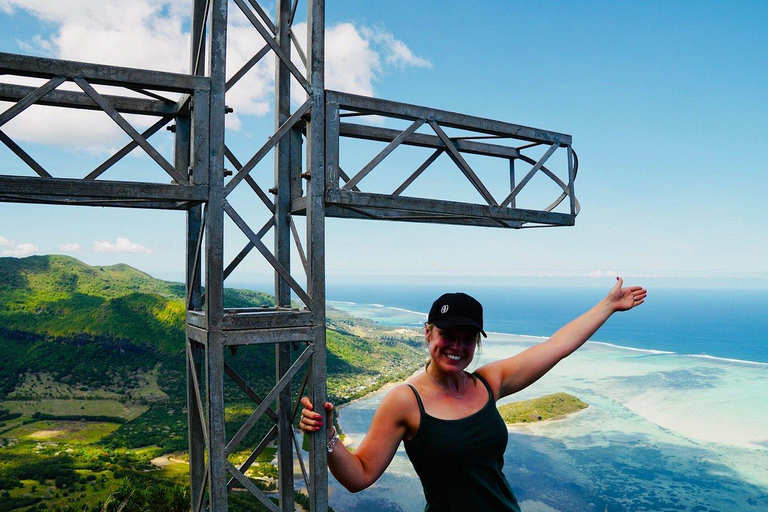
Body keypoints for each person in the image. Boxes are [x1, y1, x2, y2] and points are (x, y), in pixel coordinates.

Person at [300, 277, 647, 511]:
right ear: (428, 334)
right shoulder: (405, 400)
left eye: (468, 338)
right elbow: (359, 476)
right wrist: (328, 436)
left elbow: (556, 346)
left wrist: (607, 306)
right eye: (448, 335)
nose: (457, 346)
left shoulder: (487, 382)